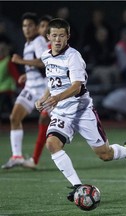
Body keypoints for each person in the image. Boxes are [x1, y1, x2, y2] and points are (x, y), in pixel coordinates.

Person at [36, 18, 126, 202]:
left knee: (105, 154)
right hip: (61, 112)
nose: (57, 39)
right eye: (54, 36)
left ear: (68, 37)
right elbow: (53, 81)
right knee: (52, 144)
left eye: (61, 36)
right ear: (48, 37)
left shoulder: (73, 56)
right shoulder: (46, 55)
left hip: (82, 111)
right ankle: (78, 186)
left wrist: (56, 98)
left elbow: (76, 86)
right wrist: (44, 97)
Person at [1, 12, 48, 169]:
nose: (27, 29)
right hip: (31, 87)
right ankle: (17, 156)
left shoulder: (39, 40)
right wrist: (26, 75)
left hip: (43, 88)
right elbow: (34, 66)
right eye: (24, 26)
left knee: (57, 122)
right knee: (15, 117)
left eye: (30, 26)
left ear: (35, 28)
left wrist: (21, 61)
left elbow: (43, 62)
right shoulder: (28, 44)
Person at [23, 15, 53, 168]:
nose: (43, 29)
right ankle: (34, 160)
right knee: (44, 120)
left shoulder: (52, 47)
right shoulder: (42, 46)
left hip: (58, 90)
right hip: (50, 90)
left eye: (45, 26)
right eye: (41, 26)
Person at [0, 35, 21, 122]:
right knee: (10, 110)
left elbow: (15, 75)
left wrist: (21, 85)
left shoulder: (8, 60)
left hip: (7, 90)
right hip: (1, 90)